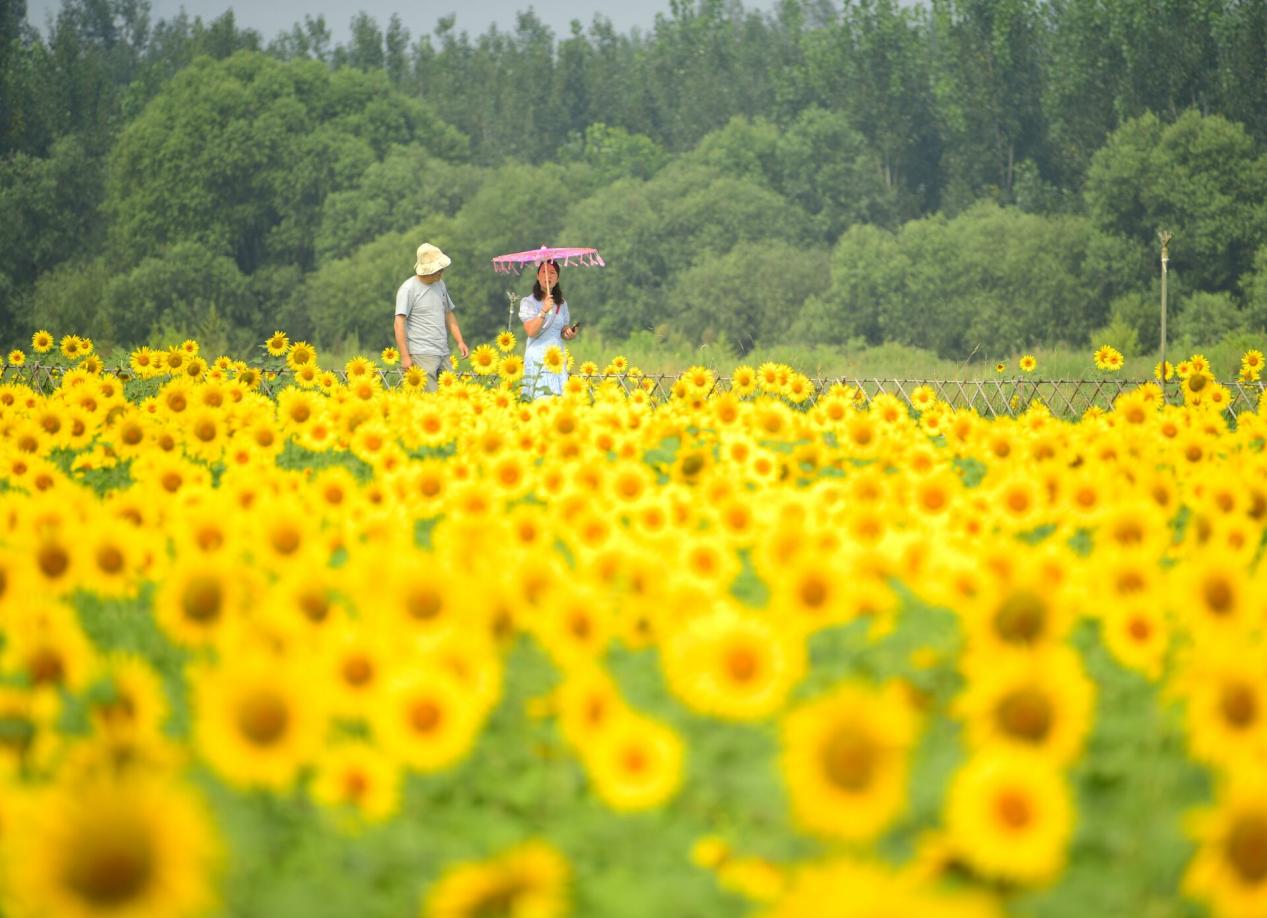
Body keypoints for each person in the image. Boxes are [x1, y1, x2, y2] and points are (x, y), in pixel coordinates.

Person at [394, 243, 469, 392]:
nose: (442, 272)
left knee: (451, 396)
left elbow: (448, 313)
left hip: (442, 351)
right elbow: (399, 323)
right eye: (439, 269)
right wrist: (405, 356)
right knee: (429, 400)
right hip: (421, 353)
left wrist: (460, 341)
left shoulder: (440, 285)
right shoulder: (408, 288)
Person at [519, 259, 578, 399]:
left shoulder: (562, 303)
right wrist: (543, 311)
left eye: (552, 273)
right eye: (544, 272)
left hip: (557, 360)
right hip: (538, 361)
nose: (548, 276)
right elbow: (531, 331)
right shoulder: (529, 302)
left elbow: (562, 329)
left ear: (557, 279)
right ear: (537, 276)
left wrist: (569, 333)